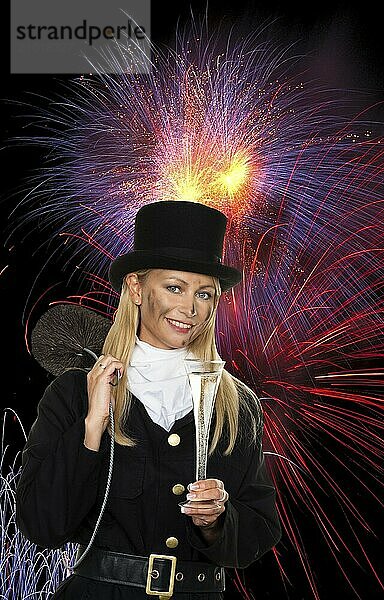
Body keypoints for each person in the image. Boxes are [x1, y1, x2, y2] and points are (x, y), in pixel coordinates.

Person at [16, 200, 281, 599]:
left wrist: (217, 519)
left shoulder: (236, 404)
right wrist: (92, 426)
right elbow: (41, 525)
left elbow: (257, 536)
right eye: (174, 287)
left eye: (204, 294)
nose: (190, 308)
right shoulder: (74, 392)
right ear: (137, 289)